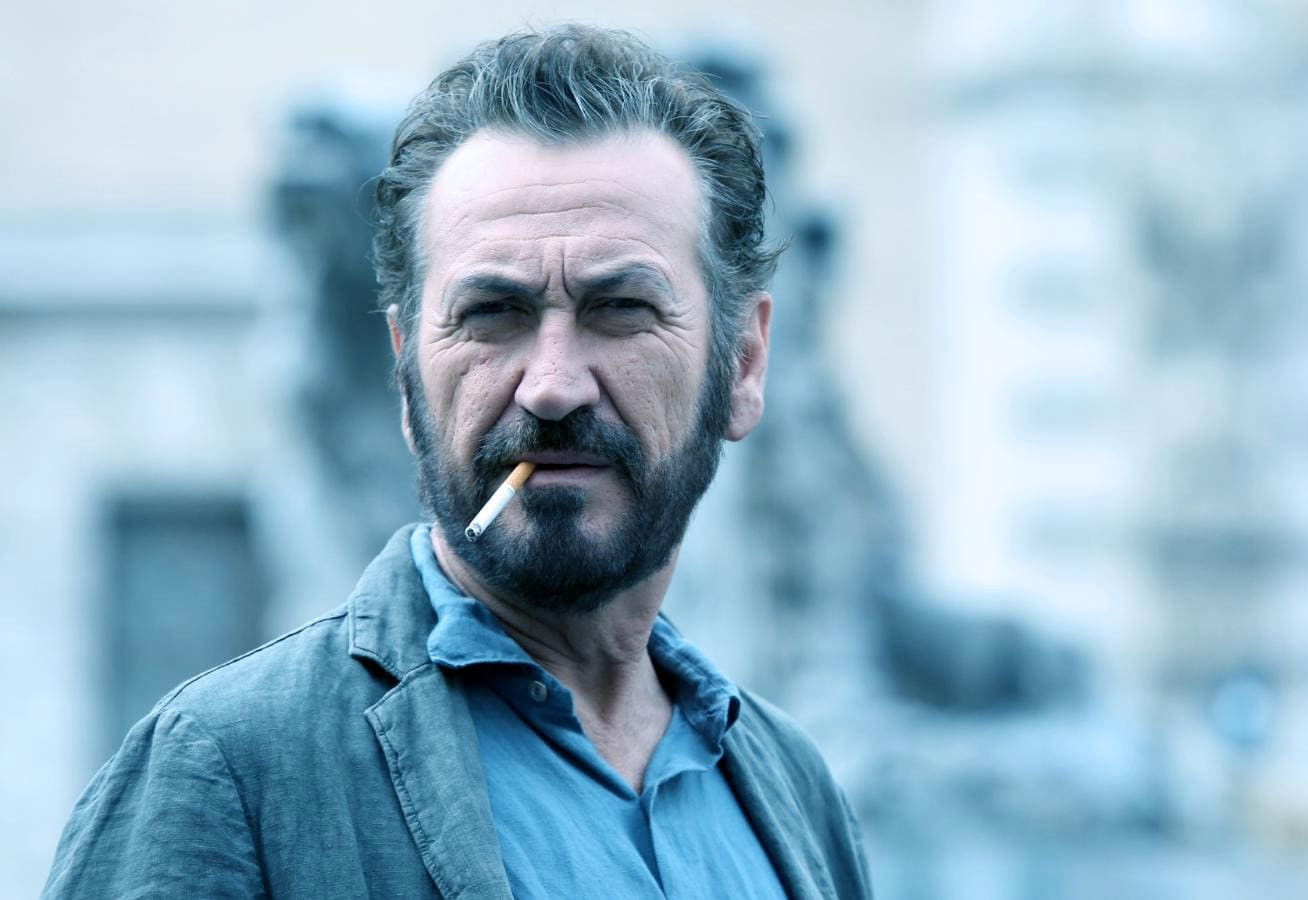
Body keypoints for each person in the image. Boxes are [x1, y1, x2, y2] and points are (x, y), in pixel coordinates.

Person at [45, 24, 870, 899]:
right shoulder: (227, 773)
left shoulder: (793, 790)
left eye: (621, 309)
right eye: (492, 315)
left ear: (743, 364)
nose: (552, 386)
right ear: (407, 374)